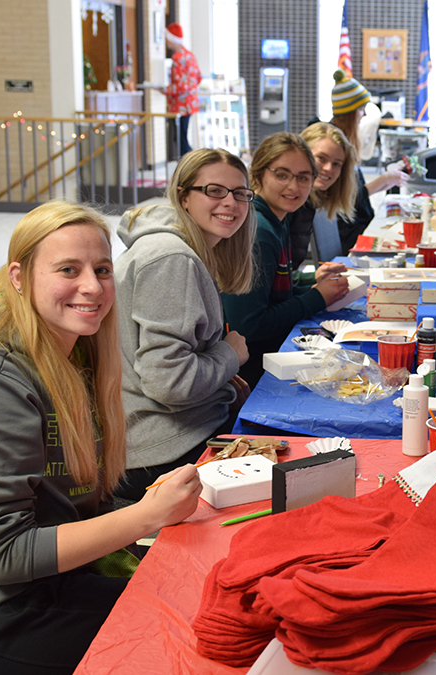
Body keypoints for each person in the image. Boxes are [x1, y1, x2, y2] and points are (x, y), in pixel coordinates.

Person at [0, 202, 202, 675]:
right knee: (192, 641)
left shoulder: (74, 357)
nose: (92, 287)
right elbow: (5, 556)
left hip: (45, 583)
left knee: (202, 597)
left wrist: (163, 513)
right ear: (19, 277)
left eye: (102, 269)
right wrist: (146, 517)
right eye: (68, 269)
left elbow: (70, 506)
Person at [114, 149, 255, 501]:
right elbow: (170, 383)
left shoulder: (181, 250)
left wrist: (220, 375)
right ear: (183, 197)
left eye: (240, 194)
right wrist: (229, 356)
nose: (231, 203)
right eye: (214, 191)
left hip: (171, 434)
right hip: (160, 452)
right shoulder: (171, 258)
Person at [221, 132, 351, 386]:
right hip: (254, 370)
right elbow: (250, 326)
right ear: (258, 175)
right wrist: (317, 297)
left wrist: (311, 285)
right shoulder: (258, 232)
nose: (294, 187)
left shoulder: (276, 219)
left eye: (303, 178)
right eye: (282, 175)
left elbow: (274, 290)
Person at [329, 70, 407, 252]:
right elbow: (346, 198)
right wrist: (384, 179)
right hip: (349, 233)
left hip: (355, 225)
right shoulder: (335, 144)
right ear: (349, 113)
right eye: (361, 109)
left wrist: (388, 181)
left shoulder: (343, 140)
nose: (363, 115)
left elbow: (356, 192)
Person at [288, 122, 360, 268]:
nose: (328, 168)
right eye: (321, 158)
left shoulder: (312, 204)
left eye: (336, 164)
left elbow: (286, 276)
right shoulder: (289, 206)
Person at [164, 23, 201, 157]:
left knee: (180, 140)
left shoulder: (177, 58)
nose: (165, 41)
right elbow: (198, 77)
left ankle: (193, 165)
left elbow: (180, 86)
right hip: (190, 103)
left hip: (180, 105)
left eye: (167, 38)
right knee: (182, 136)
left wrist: (163, 89)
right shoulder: (189, 55)